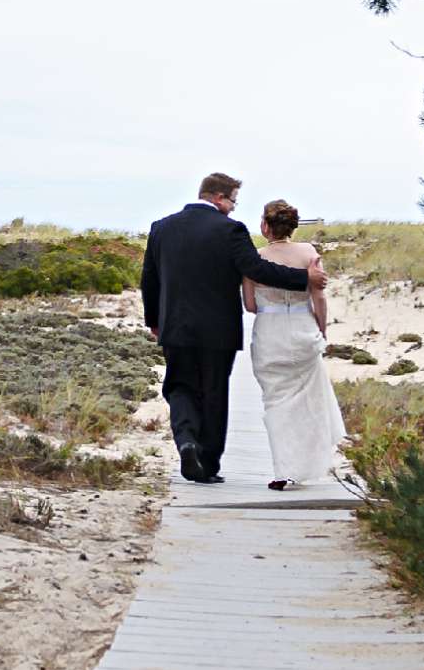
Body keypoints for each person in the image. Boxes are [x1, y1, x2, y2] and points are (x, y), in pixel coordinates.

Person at [140, 173, 326, 483]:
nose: (234, 208)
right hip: (218, 329)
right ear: (217, 197)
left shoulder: (162, 228)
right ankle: (208, 463)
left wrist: (154, 321)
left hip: (175, 325)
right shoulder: (230, 230)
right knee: (214, 391)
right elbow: (256, 268)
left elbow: (150, 279)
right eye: (233, 201)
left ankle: (186, 441)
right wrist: (303, 279)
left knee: (180, 386)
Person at [242, 200, 347, 489]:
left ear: (266, 225)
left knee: (275, 401)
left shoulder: (256, 258)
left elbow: (250, 305)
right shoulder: (308, 253)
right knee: (307, 401)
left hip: (270, 334)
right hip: (303, 330)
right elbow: (320, 297)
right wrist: (322, 329)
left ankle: (282, 469)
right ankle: (309, 463)